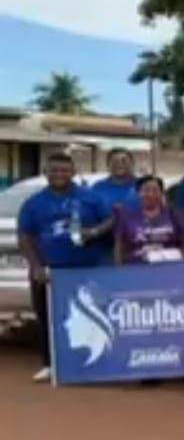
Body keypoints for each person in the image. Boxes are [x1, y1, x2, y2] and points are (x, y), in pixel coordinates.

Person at [17, 153, 111, 382]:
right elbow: (24, 236)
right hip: (50, 269)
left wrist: (94, 232)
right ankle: (50, 364)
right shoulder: (33, 202)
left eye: (64, 170)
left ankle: (96, 364)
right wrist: (36, 266)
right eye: (54, 170)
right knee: (47, 317)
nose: (59, 174)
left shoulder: (91, 197)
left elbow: (111, 221)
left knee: (92, 316)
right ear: (45, 173)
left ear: (73, 172)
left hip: (86, 267)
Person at [115, 176, 184, 264]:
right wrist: (119, 268)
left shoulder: (175, 215)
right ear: (138, 193)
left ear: (162, 194)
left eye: (155, 190)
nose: (151, 194)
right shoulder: (128, 218)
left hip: (170, 266)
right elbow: (119, 246)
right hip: (137, 267)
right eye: (146, 190)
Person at [91, 149, 139, 251]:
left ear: (132, 163)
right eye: (115, 161)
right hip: (104, 243)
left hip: (137, 242)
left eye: (124, 160)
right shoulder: (97, 187)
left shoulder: (142, 185)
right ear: (108, 165)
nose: (120, 164)